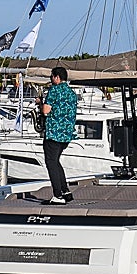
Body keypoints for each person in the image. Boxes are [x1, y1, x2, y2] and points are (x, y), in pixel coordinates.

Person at [42, 65, 77, 204]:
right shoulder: (71, 93)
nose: (51, 79)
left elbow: (46, 111)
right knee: (56, 161)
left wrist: (41, 104)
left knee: (51, 162)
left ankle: (58, 195)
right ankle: (65, 190)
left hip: (54, 133)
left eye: (51, 77)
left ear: (57, 77)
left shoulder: (54, 90)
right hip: (66, 134)